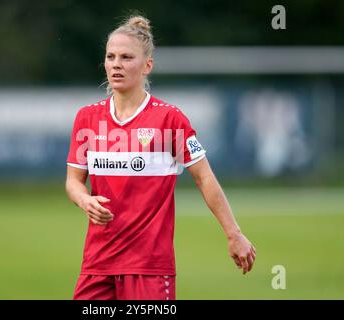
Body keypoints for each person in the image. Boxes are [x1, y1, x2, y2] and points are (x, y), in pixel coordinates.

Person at [65, 15, 256, 300]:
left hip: (150, 267)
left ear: (147, 66)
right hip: (97, 264)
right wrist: (85, 200)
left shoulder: (169, 119)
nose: (116, 64)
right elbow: (73, 182)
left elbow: (204, 178)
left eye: (127, 57)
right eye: (111, 56)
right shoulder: (88, 118)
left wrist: (233, 233)